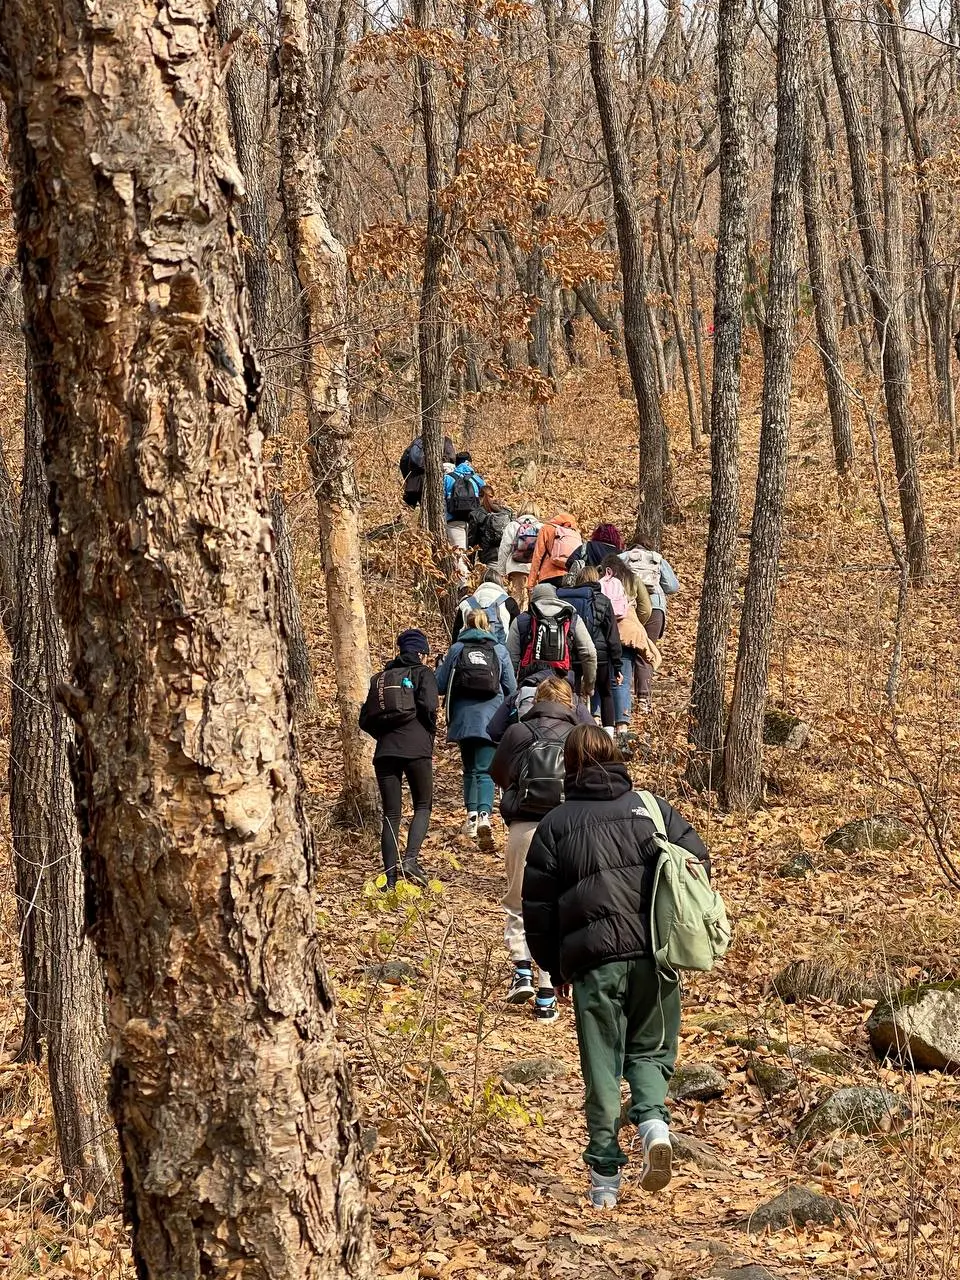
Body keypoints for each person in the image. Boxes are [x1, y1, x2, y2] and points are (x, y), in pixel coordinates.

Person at [522, 725, 710, 1208]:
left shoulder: (556, 824)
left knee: (602, 1066)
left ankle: (605, 1177)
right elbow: (697, 860)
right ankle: (652, 1125)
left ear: (569, 765)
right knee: (650, 1051)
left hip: (595, 964)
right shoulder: (652, 809)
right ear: (615, 757)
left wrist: (553, 968)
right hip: (657, 956)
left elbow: (537, 910)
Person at [490, 678, 580, 1023]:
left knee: (517, 900)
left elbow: (498, 773)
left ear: (537, 700)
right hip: (568, 827)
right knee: (557, 904)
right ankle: (546, 993)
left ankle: (522, 968)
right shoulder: (579, 735)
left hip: (523, 826)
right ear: (570, 702)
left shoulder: (518, 732)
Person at [358, 629, 439, 888]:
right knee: (423, 805)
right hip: (416, 749)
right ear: (421, 653)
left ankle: (390, 879)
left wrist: (384, 734)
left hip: (385, 752)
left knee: (391, 814)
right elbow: (429, 707)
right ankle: (411, 860)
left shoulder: (381, 678)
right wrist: (428, 733)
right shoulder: (424, 673)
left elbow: (365, 719)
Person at [436, 609, 517, 849]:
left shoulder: (456, 649)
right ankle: (485, 817)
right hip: (491, 719)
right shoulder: (499, 650)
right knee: (485, 770)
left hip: (462, 718)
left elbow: (440, 685)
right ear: (488, 625)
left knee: (469, 769)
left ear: (465, 625)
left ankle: (471, 818)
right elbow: (511, 688)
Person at [558, 565, 623, 733]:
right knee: (605, 692)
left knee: (571, 693)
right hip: (599, 655)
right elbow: (612, 636)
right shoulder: (603, 600)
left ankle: (571, 732)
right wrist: (617, 665)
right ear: (596, 579)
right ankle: (608, 736)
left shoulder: (566, 599)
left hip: (571, 654)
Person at [507, 583, 597, 697]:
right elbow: (589, 653)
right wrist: (589, 686)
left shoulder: (521, 620)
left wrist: (513, 692)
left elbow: (511, 659)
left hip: (530, 685)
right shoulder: (572, 618)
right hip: (563, 685)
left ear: (533, 600)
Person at [618, 543, 678, 711]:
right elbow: (673, 587)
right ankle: (643, 698)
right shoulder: (657, 559)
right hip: (655, 608)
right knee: (646, 652)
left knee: (628, 649)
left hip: (630, 608)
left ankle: (623, 696)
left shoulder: (624, 557)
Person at [451, 568, 519, 645]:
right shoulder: (509, 603)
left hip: (468, 652)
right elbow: (516, 635)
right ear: (500, 583)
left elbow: (455, 637)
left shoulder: (466, 603)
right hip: (499, 652)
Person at [497, 502, 542, 605]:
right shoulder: (542, 527)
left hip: (515, 569)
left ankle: (517, 621)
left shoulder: (513, 525)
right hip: (535, 571)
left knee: (517, 602)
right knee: (534, 603)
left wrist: (501, 572)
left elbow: (504, 549)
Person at [526, 512, 583, 590]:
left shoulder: (546, 528)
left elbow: (537, 556)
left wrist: (531, 584)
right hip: (568, 577)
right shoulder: (576, 534)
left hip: (547, 576)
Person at [399, 434, 456, 509]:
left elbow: (403, 461)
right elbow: (451, 459)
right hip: (433, 484)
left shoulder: (417, 441)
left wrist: (408, 479)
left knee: (412, 512)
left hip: (413, 485)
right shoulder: (444, 440)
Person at [468, 484, 514, 568]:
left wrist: (470, 562)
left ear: (479, 497)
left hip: (489, 556)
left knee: (492, 579)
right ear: (493, 496)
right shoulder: (505, 512)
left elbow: (472, 541)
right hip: (507, 555)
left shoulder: (475, 514)